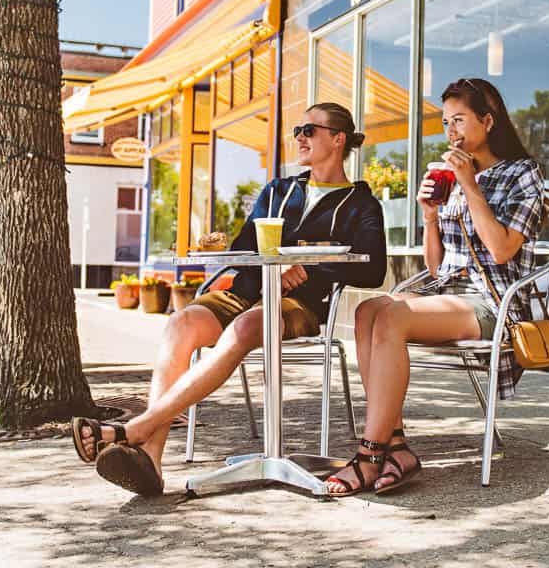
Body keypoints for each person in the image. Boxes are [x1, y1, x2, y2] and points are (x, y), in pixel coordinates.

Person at [70, 102, 387, 497]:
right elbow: (242, 250)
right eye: (297, 131)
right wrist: (267, 269)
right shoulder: (277, 192)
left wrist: (309, 270)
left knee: (244, 327)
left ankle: (134, 429)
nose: (300, 137)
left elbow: (373, 269)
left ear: (338, 139)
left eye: (310, 130)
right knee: (180, 323)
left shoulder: (360, 204)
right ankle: (150, 456)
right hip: (247, 293)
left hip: (301, 306)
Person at [325, 77, 546, 496]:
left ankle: (371, 453)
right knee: (366, 310)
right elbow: (437, 267)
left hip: (493, 303)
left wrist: (469, 187)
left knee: (391, 316)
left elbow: (500, 251)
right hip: (450, 293)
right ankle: (399, 446)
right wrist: (429, 216)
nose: (451, 132)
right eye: (446, 123)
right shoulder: (458, 177)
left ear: (488, 120)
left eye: (459, 120)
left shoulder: (523, 174)